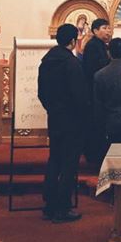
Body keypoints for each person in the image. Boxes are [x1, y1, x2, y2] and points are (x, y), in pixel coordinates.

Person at [37, 23, 90, 223]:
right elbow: (79, 95)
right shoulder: (71, 63)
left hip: (55, 119)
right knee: (69, 164)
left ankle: (49, 204)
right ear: (73, 41)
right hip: (73, 121)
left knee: (54, 160)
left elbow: (41, 93)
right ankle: (62, 207)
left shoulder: (46, 61)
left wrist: (53, 109)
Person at [82, 18, 112, 164]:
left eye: (109, 28)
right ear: (95, 31)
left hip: (97, 92)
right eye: (104, 28)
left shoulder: (99, 45)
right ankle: (94, 157)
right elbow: (97, 69)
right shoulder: (94, 46)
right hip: (94, 92)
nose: (108, 31)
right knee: (95, 126)